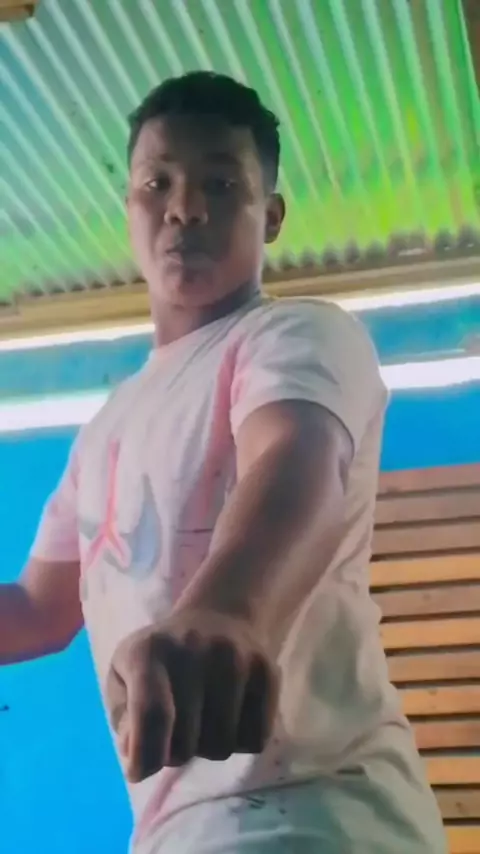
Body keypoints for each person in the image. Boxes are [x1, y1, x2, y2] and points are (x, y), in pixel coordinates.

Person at [0, 72, 446, 853]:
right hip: (170, 832)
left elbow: (297, 459)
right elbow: (38, 608)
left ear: (269, 216)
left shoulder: (295, 335)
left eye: (221, 183)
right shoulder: (103, 430)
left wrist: (229, 609)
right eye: (158, 183)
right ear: (130, 208)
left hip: (315, 810)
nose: (186, 207)